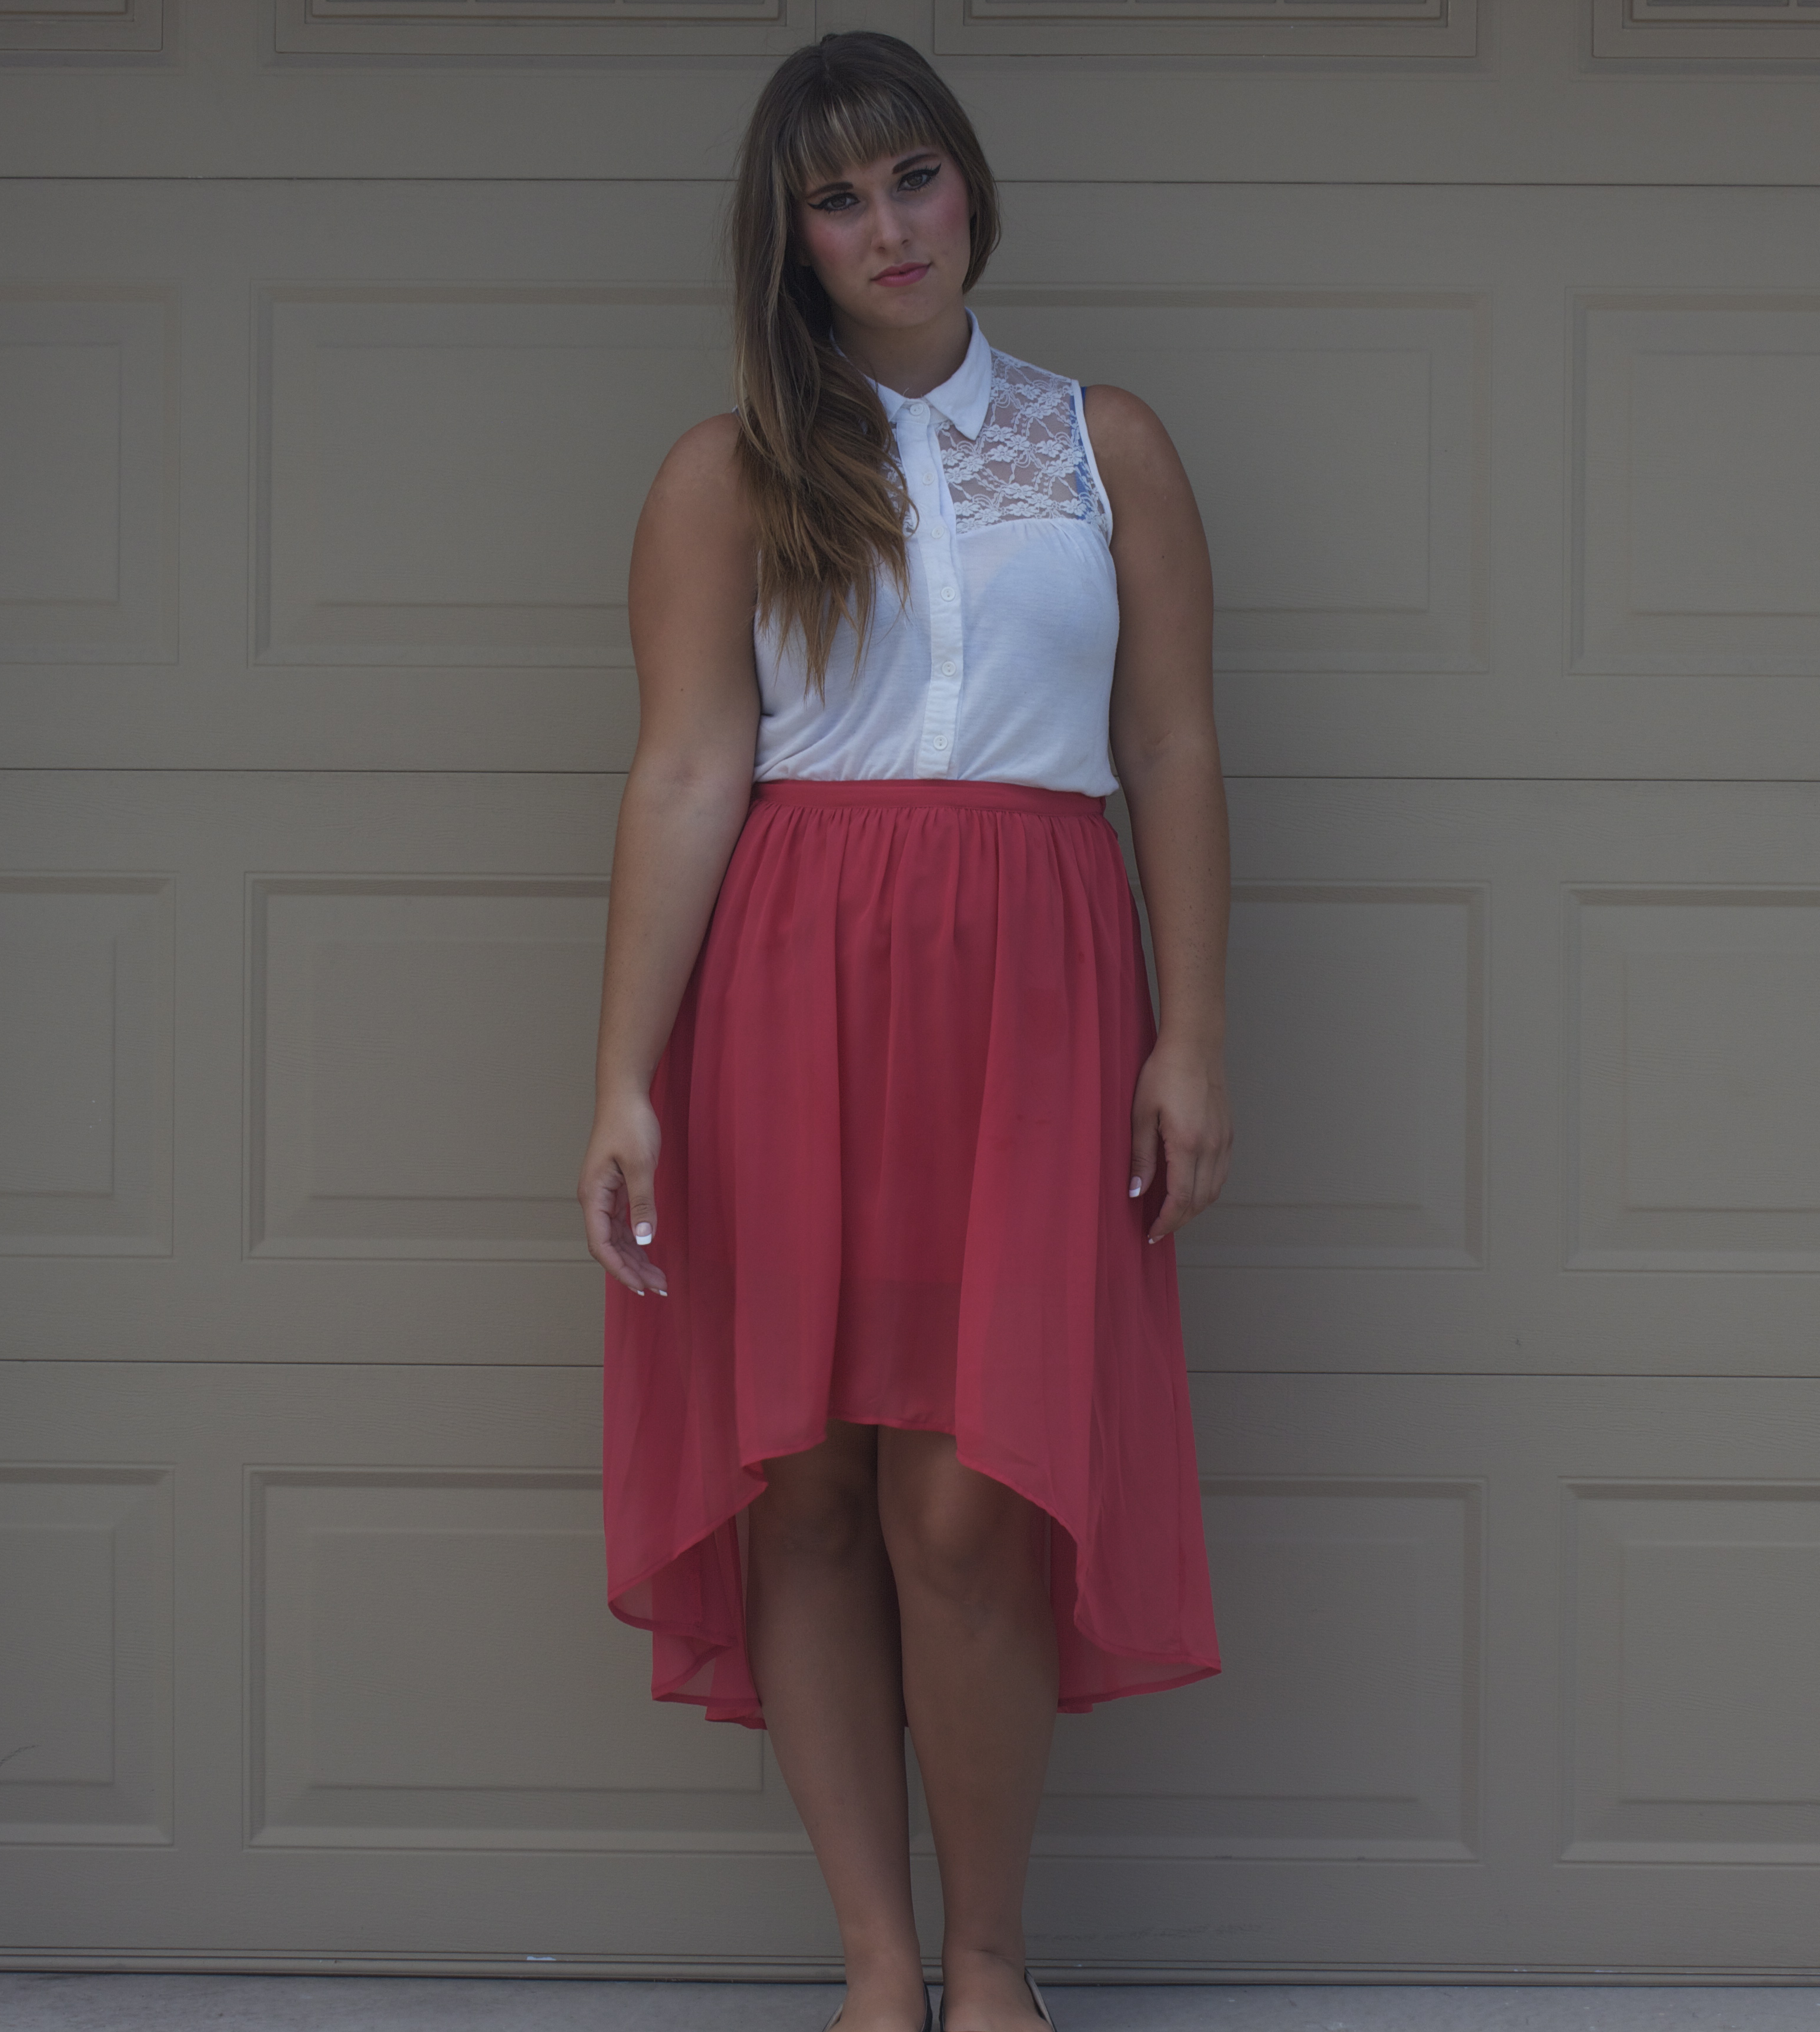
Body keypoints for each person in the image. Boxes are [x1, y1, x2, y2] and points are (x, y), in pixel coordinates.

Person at [578, 32, 1229, 2032]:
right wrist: (623, 1079)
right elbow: (689, 773)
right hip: (791, 999)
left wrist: (1193, 1034)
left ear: (970, 190)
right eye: (839, 198)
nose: (888, 227)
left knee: (969, 1504)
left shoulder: (1107, 445)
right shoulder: (725, 473)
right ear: (789, 239)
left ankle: (992, 1961)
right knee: (809, 1488)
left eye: (914, 178)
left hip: (1037, 995)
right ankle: (878, 1966)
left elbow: (1169, 748)